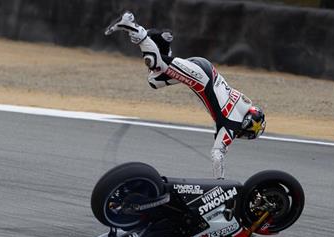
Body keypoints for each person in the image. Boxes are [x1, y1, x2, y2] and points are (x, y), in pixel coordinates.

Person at [105, 12, 266, 179]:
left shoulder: (244, 103)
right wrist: (221, 183)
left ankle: (163, 42)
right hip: (200, 79)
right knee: (155, 63)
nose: (241, 136)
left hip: (204, 69)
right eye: (247, 134)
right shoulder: (232, 125)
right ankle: (132, 26)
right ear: (246, 125)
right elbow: (217, 154)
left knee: (155, 80)